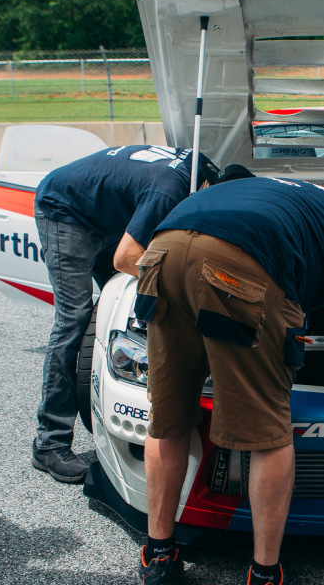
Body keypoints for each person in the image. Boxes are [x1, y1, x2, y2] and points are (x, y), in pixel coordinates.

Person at [136, 175, 324, 585]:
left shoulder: (281, 192)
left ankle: (159, 554)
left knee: (170, 417)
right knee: (268, 433)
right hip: (239, 264)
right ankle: (264, 576)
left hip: (165, 249)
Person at [30, 145, 222, 483]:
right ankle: (50, 443)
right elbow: (125, 258)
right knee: (73, 320)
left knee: (126, 304)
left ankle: (117, 396)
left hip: (104, 209)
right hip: (65, 208)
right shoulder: (170, 190)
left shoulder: (199, 171)